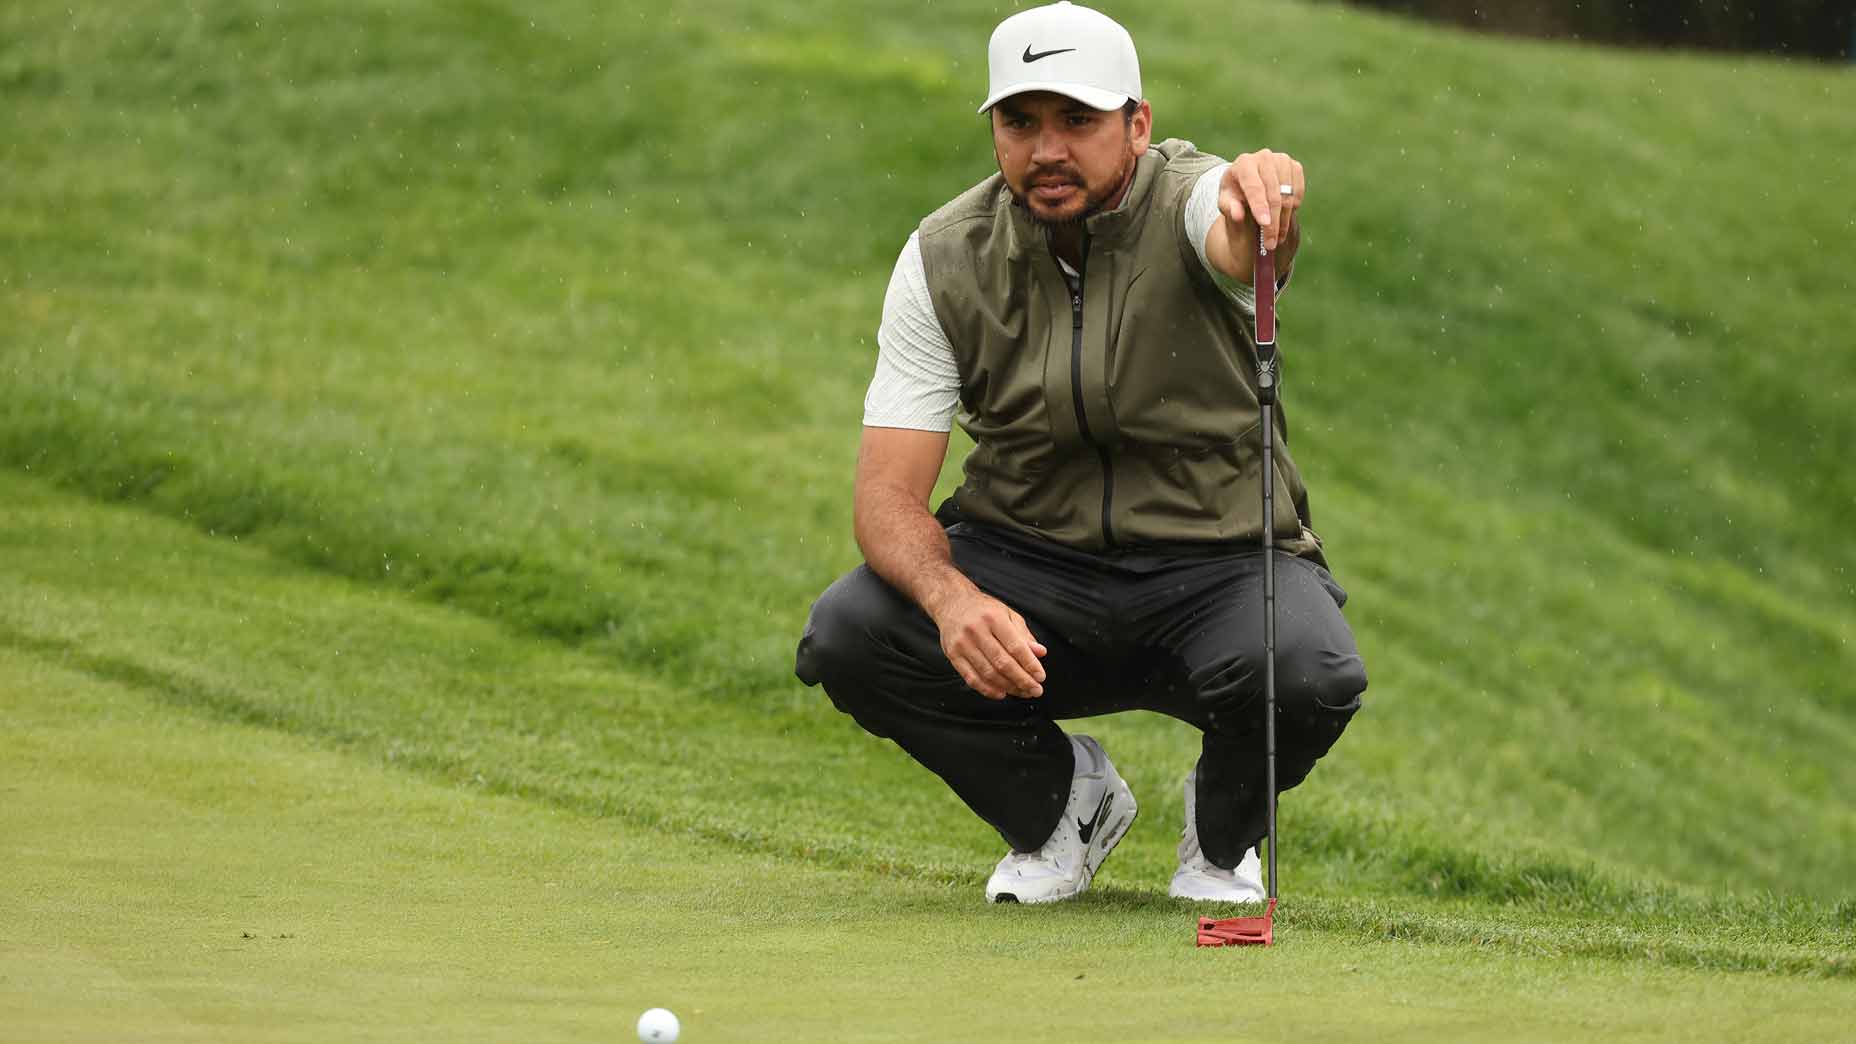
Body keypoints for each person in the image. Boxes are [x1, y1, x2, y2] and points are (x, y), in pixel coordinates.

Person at [795, 1, 1367, 905]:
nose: (1047, 149)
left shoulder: (1188, 196)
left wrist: (1260, 203)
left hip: (1214, 565)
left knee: (1310, 672)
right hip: (1031, 571)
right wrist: (952, 601)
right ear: (993, 132)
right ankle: (1061, 811)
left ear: (1137, 126)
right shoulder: (943, 258)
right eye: (1020, 122)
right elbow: (885, 499)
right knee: (852, 634)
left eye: (1078, 120)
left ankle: (1219, 842)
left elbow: (1229, 231)